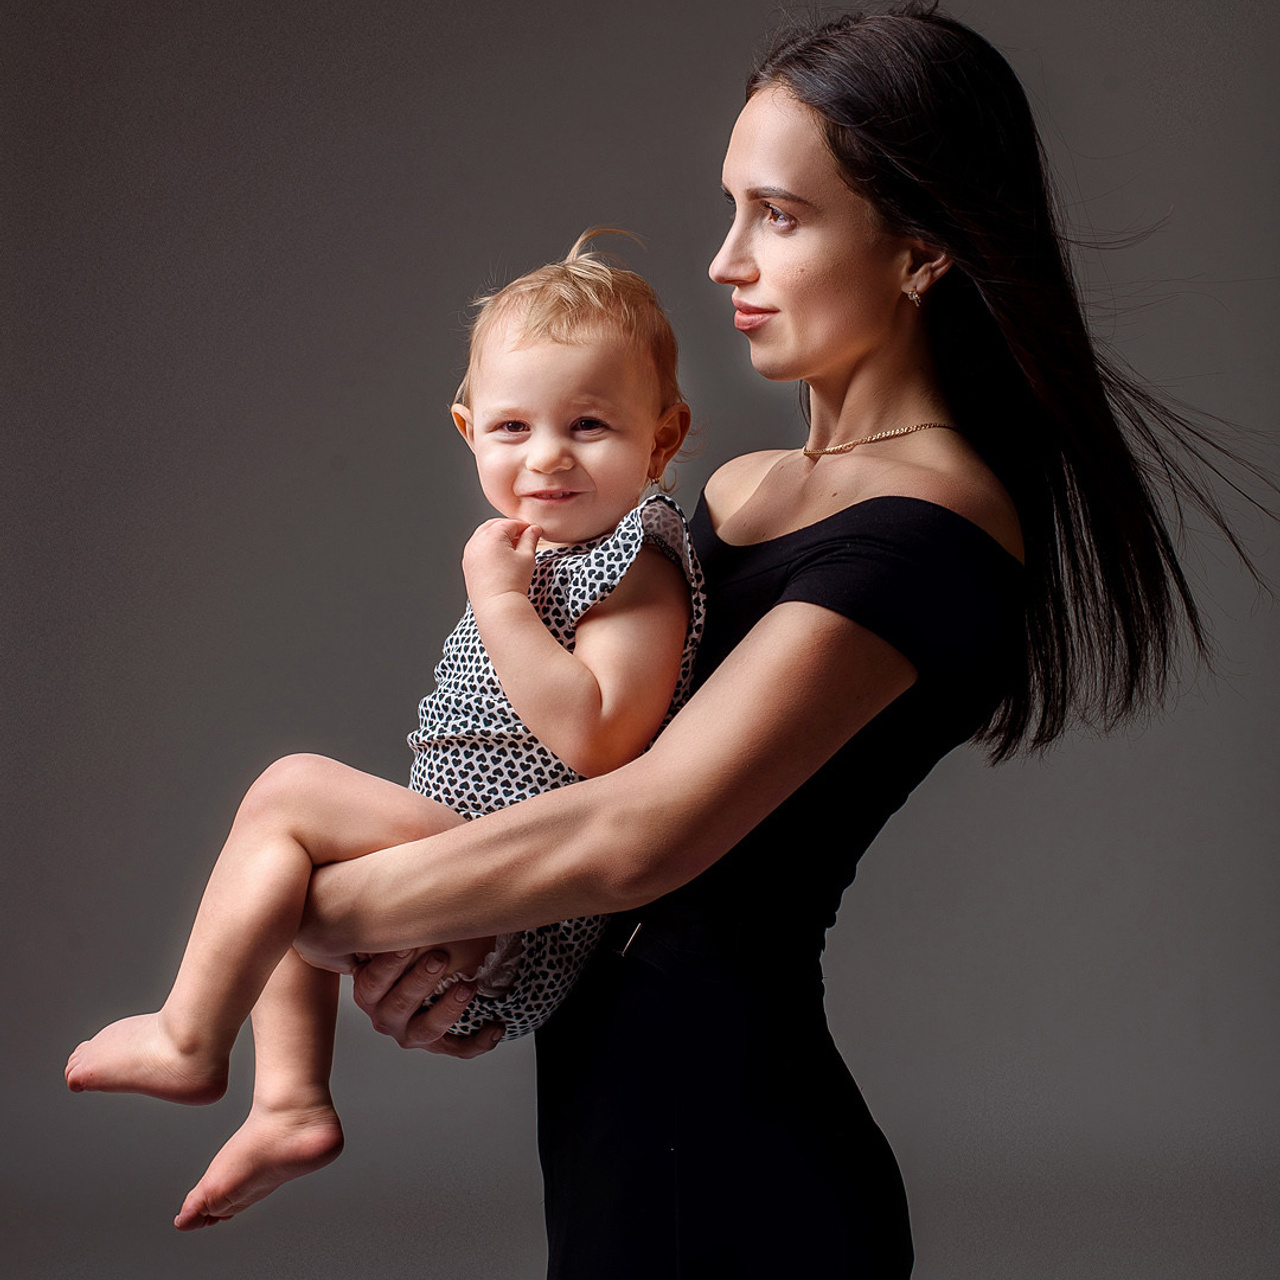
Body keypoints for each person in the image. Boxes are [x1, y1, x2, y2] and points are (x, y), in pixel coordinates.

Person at [279, 8, 1269, 1277]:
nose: (721, 260)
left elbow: (639, 834)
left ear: (918, 249)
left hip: (733, 1163)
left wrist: (318, 910)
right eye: (730, 208)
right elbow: (586, 784)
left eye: (779, 216)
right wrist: (491, 953)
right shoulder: (740, 490)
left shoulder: (928, 528)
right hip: (619, 1130)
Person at [63, 233, 705, 1231]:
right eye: (512, 426)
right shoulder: (543, 551)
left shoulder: (638, 560)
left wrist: (499, 604)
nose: (546, 455)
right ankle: (289, 1104)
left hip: (524, 892)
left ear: (661, 440)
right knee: (275, 871)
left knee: (287, 791)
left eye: (588, 424)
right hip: (470, 863)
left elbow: (601, 741)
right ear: (467, 431)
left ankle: (190, 1036)